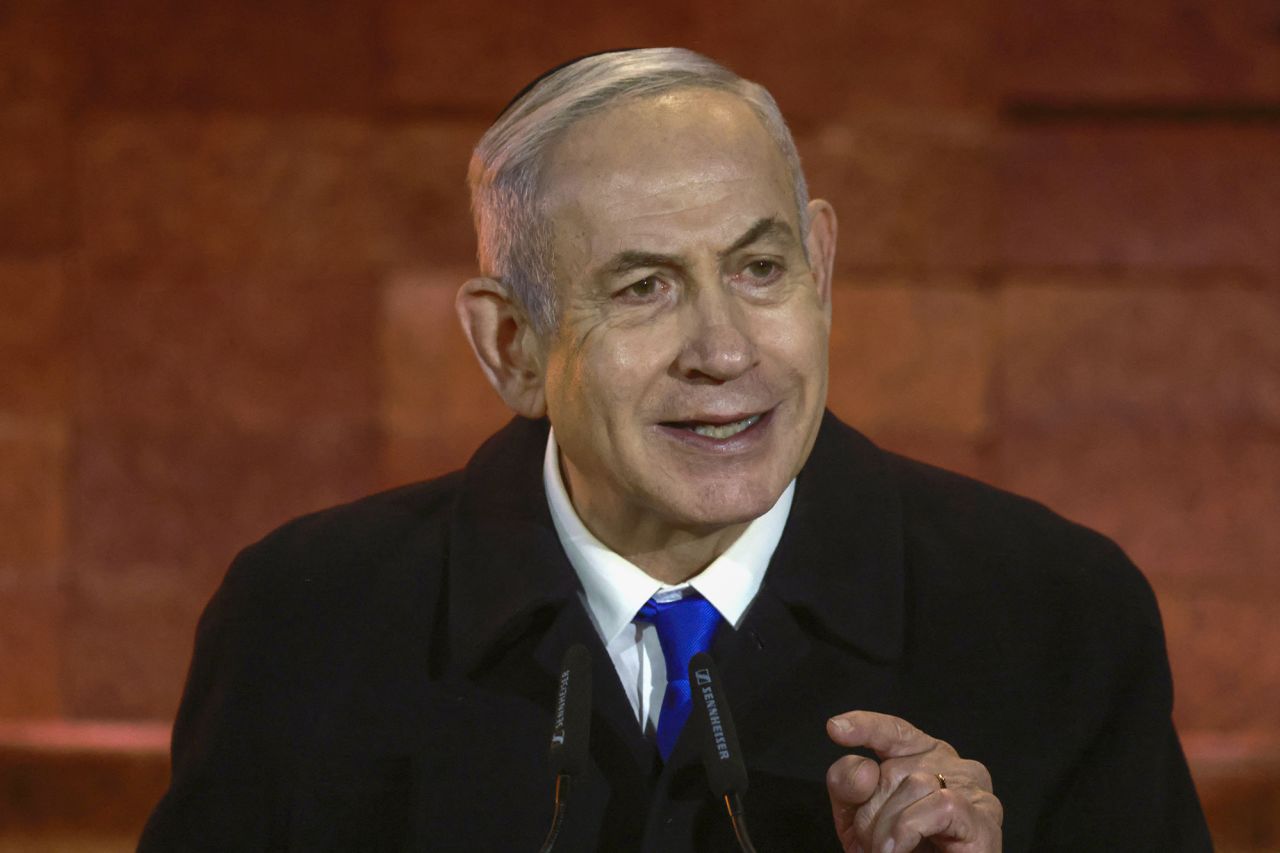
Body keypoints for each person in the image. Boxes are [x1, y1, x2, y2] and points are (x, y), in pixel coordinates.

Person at [139, 48, 1211, 852]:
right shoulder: (305, 618)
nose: (723, 348)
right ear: (511, 344)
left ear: (821, 272)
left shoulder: (1054, 613)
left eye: (758, 269)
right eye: (642, 286)